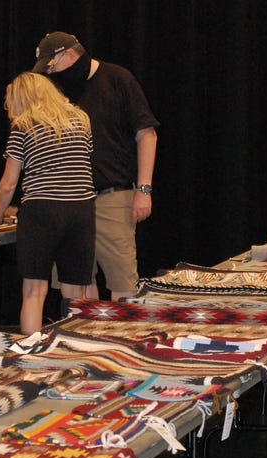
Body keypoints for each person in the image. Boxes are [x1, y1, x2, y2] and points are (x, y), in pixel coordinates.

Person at [32, 31, 159, 301]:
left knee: (122, 278)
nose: (51, 73)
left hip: (112, 194)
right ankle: (83, 339)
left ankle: (119, 340)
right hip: (70, 199)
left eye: (52, 65)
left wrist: (144, 189)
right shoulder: (56, 89)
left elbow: (146, 135)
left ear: (70, 54)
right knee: (75, 281)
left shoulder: (118, 79)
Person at [0, 72, 95, 335]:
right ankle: (73, 350)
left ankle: (31, 356)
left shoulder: (24, 125)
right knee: (75, 291)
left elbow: (9, 183)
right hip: (81, 209)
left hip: (41, 210)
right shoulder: (81, 119)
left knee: (35, 290)